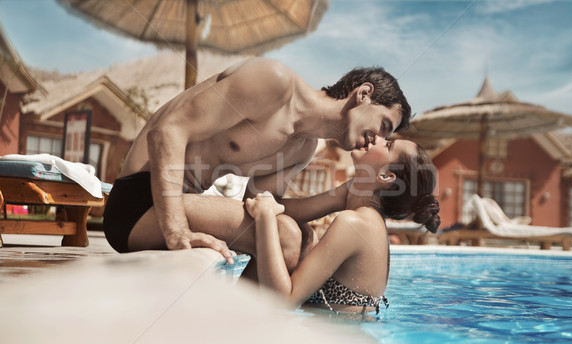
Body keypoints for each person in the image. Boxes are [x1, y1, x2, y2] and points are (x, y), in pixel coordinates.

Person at [103, 57, 411, 266]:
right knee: (286, 237)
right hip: (139, 204)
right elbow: (166, 131)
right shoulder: (274, 84)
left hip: (184, 202)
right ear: (363, 94)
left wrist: (341, 196)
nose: (378, 141)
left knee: (302, 236)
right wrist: (176, 231)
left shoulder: (302, 149)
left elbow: (262, 208)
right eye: (384, 125)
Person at [244, 135, 440, 314]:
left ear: (386, 176)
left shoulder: (356, 223)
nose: (378, 138)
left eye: (388, 145)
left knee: (282, 229)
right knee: (299, 232)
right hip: (336, 333)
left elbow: (286, 300)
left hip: (335, 340)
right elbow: (290, 209)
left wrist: (265, 217)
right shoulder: (356, 196)